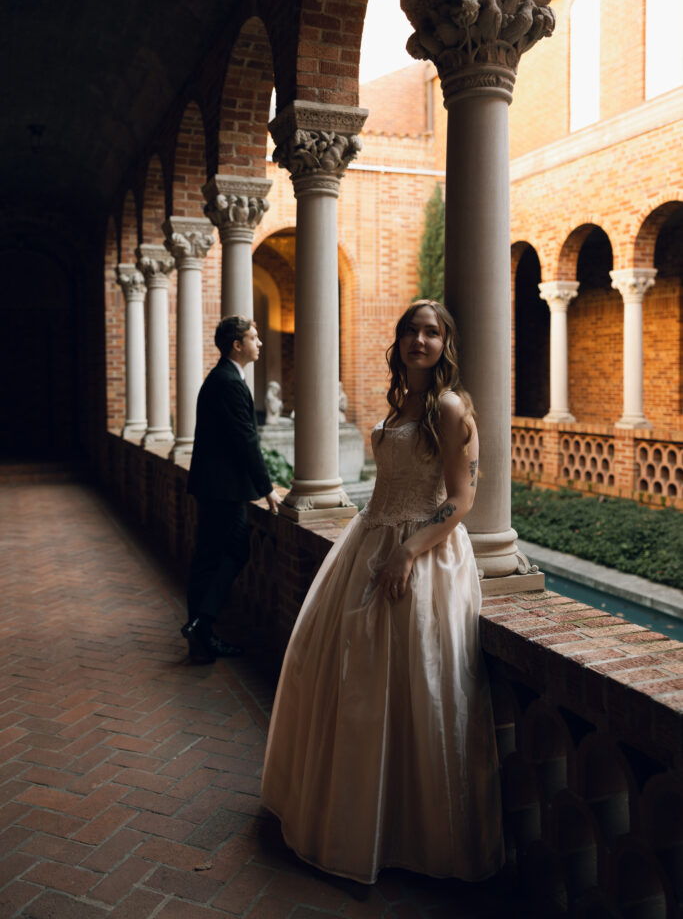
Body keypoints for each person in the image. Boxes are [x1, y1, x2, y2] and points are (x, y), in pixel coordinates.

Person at [261, 300, 504, 884]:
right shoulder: (404, 402)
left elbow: (461, 501)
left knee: (417, 686)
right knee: (356, 683)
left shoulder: (448, 407)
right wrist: (381, 541)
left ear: (446, 344)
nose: (420, 339)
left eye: (432, 332)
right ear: (398, 341)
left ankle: (415, 835)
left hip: (422, 557)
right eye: (410, 330)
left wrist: (408, 549)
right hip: (369, 539)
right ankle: (358, 817)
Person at [182, 315, 280, 663]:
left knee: (209, 557)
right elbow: (246, 440)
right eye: (254, 338)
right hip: (223, 489)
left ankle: (200, 631)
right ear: (237, 345)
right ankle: (201, 624)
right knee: (233, 552)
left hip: (215, 486)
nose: (260, 343)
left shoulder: (223, 378)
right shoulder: (228, 382)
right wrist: (267, 488)